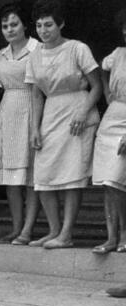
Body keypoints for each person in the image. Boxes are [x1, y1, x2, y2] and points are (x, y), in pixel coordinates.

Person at [26, 0, 102, 249]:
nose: (43, 30)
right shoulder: (35, 55)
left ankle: (66, 234)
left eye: (48, 24)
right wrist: (35, 128)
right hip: (51, 113)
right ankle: (54, 230)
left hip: (76, 113)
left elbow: (97, 86)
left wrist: (83, 111)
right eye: (39, 25)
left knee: (72, 176)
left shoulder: (77, 49)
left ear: (61, 24)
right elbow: (37, 94)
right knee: (44, 175)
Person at [0, 3, 41, 245]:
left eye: (14, 24)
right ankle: (16, 227)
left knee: (30, 175)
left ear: (24, 25)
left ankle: (28, 230)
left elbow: (39, 88)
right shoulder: (1, 54)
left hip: (30, 107)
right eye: (5, 26)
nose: (9, 29)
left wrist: (36, 126)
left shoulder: (37, 49)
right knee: (10, 175)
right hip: (7, 111)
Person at [90, 8, 126, 254]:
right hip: (112, 116)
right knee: (106, 181)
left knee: (117, 180)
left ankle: (124, 234)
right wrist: (107, 92)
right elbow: (102, 69)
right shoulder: (118, 54)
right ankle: (111, 237)